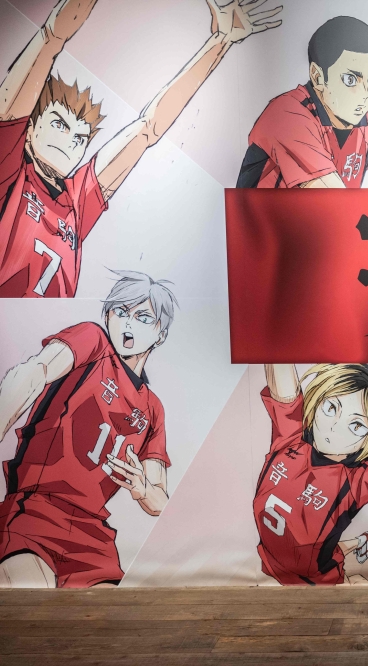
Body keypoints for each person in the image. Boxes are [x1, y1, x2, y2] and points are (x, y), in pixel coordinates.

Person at [0, 0, 282, 297]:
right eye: (59, 124)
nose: (70, 141)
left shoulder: (77, 199)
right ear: (30, 130)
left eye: (80, 138)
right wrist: (54, 33)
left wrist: (220, 42)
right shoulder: (10, 168)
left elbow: (148, 127)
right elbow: (51, 39)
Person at [0, 270, 177, 587]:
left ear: (160, 334)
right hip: (36, 509)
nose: (128, 323)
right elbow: (34, 372)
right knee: (32, 595)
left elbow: (160, 501)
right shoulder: (94, 341)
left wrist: (141, 488)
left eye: (142, 317)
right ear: (107, 315)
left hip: (92, 533)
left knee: (104, 614)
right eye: (120, 311)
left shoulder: (152, 408)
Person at [256, 363, 368, 586]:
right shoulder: (292, 437)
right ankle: (362, 541)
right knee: (317, 545)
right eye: (331, 407)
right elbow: (279, 367)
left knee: (358, 585)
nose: (334, 427)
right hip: (271, 558)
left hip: (316, 579)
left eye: (357, 425)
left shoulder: (358, 478)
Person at [238, 16, 368, 189]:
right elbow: (333, 200)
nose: (365, 94)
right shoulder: (286, 114)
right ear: (318, 77)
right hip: (267, 209)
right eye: (350, 80)